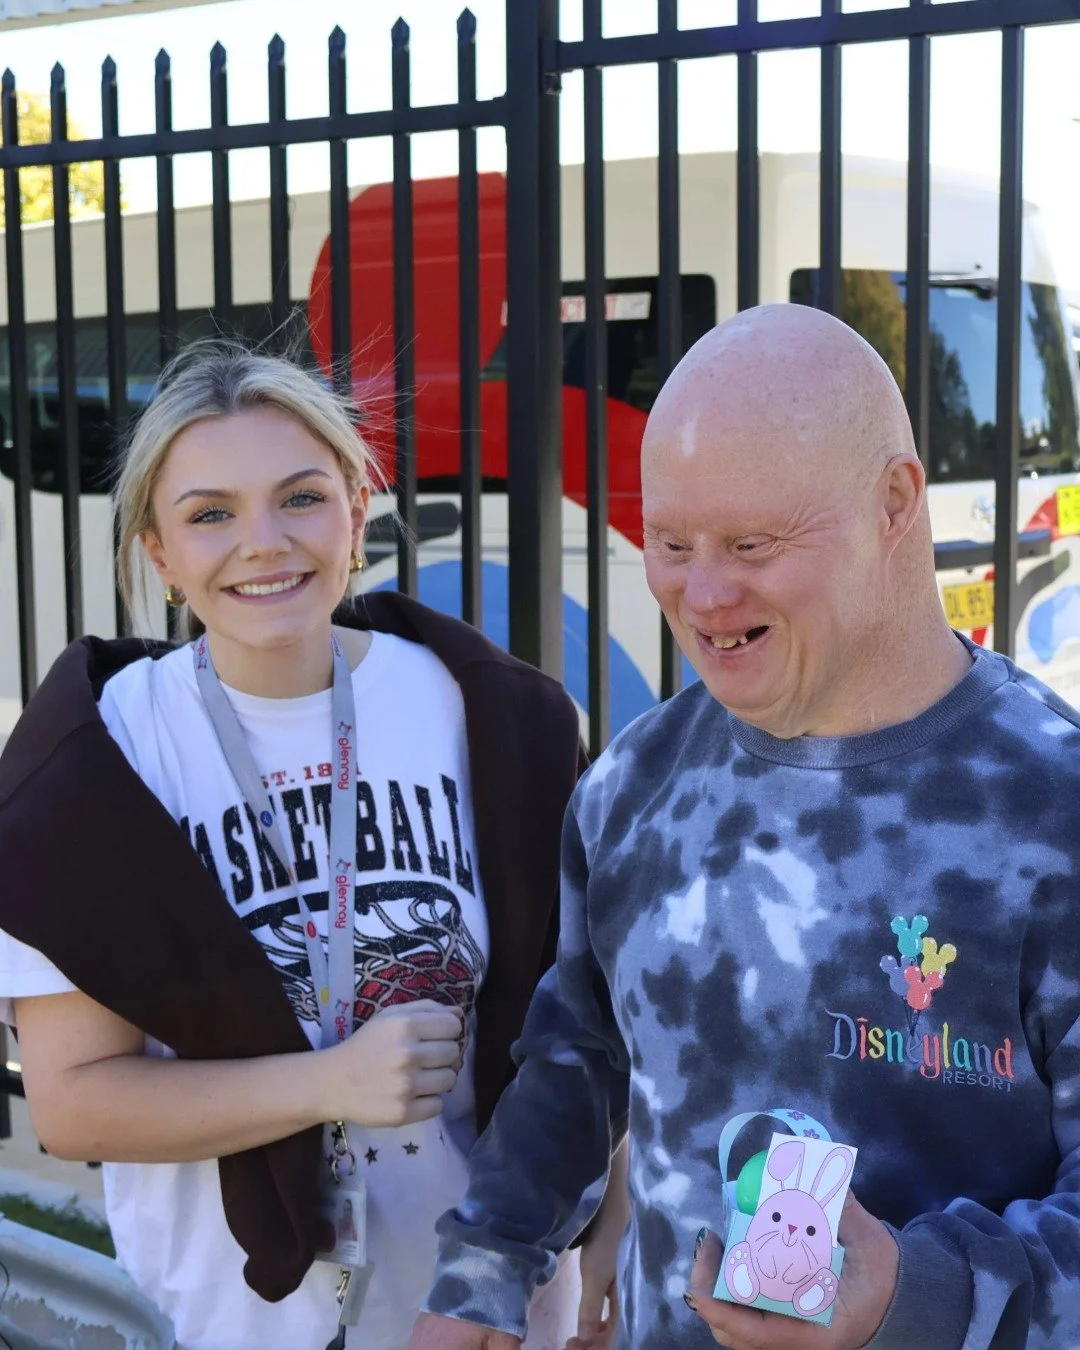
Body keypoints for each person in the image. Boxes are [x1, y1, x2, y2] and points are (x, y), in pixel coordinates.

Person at [407, 303, 1080, 1350]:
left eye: (752, 543)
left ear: (895, 501)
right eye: (671, 542)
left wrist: (916, 1294)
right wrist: (484, 1269)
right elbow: (580, 1056)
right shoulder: (632, 784)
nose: (703, 593)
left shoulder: (1053, 808)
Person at [0, 345, 627, 1350]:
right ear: (159, 551)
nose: (264, 544)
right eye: (210, 514)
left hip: (488, 1315)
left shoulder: (493, 716)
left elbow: (585, 1013)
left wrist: (611, 1217)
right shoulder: (97, 764)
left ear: (356, 506)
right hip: (240, 1322)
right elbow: (73, 1106)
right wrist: (326, 1083)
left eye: (300, 498)